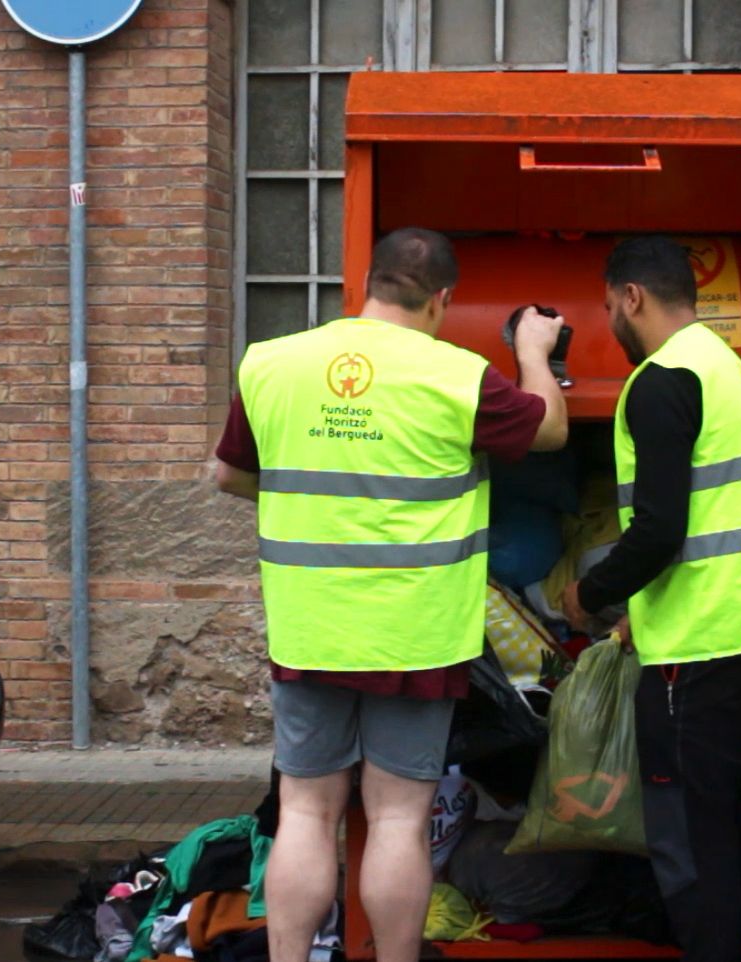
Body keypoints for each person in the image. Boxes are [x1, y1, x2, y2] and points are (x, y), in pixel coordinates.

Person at [214, 227, 568, 962]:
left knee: (306, 811)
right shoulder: (459, 375)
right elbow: (552, 431)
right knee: (400, 820)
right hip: (416, 634)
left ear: (368, 286)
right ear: (443, 299)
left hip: (311, 628)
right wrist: (533, 352)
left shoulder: (272, 363)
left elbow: (230, 475)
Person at [561, 236, 741, 962]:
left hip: (707, 641)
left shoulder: (662, 379)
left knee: (693, 839)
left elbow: (661, 531)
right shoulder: (732, 369)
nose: (609, 318)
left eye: (610, 305)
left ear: (632, 297)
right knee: (726, 817)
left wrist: (591, 595)